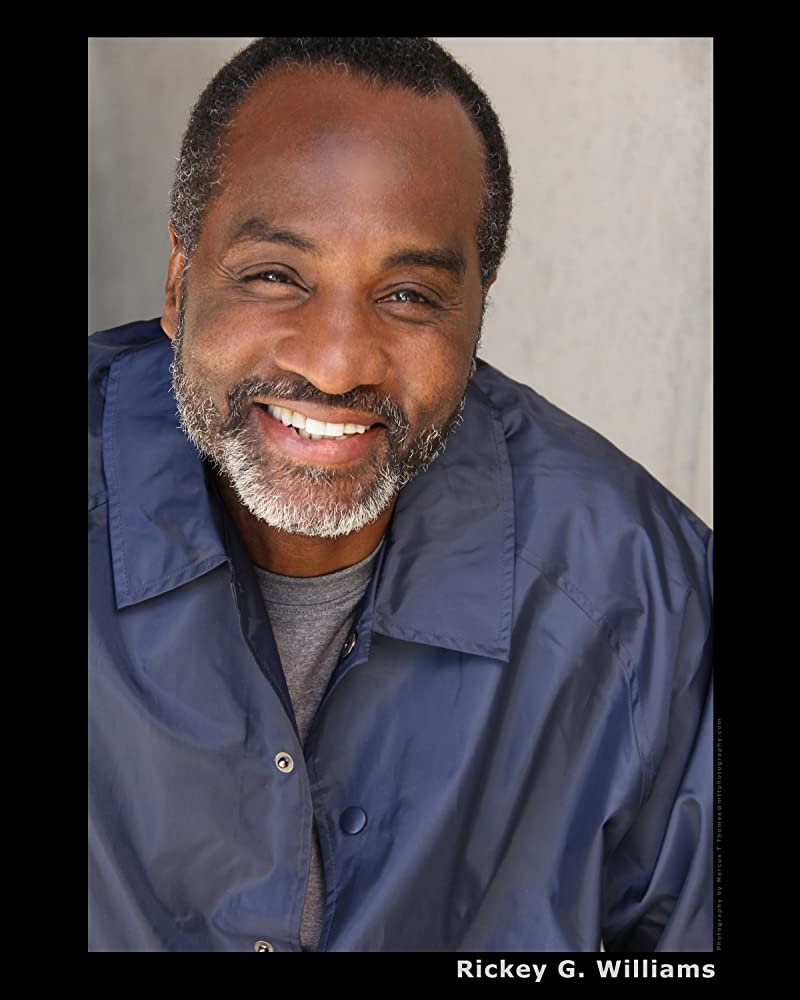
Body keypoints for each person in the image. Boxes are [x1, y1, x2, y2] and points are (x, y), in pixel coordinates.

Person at [88, 37, 713, 953]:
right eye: (276, 276)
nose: (336, 362)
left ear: (478, 309)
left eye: (410, 295)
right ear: (181, 282)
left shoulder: (642, 604)